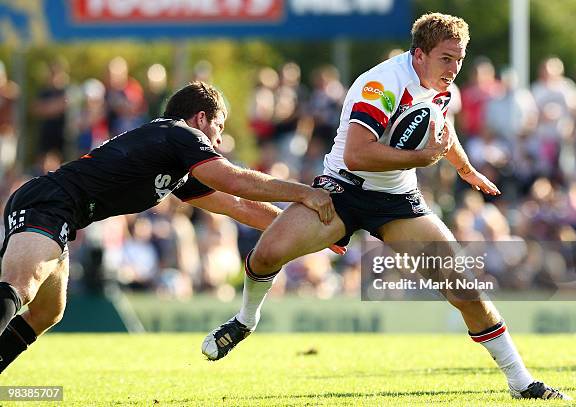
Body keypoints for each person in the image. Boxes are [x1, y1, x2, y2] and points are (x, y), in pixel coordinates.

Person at [202, 13, 569, 400]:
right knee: (266, 255)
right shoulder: (381, 85)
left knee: (466, 289)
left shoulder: (442, 84)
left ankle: (521, 381)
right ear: (420, 54)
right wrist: (423, 158)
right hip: (342, 190)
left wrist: (465, 168)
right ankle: (245, 319)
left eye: (460, 59)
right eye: (447, 58)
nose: (455, 68)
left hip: (396, 201)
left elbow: (442, 125)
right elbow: (357, 155)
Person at [0, 81, 337, 373]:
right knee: (21, 285)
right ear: (201, 118)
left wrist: (305, 233)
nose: (218, 140)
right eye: (219, 126)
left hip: (62, 214)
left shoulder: (174, 159)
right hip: (46, 204)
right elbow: (234, 181)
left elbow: (237, 205)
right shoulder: (181, 134)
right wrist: (305, 193)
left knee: (47, 312)